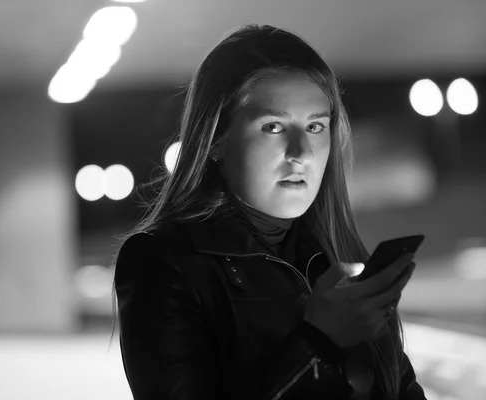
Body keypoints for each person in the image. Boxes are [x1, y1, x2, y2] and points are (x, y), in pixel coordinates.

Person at [113, 24, 426, 400]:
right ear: (215, 141)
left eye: (315, 126)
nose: (301, 152)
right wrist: (317, 342)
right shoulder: (164, 261)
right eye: (274, 126)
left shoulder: (336, 260)